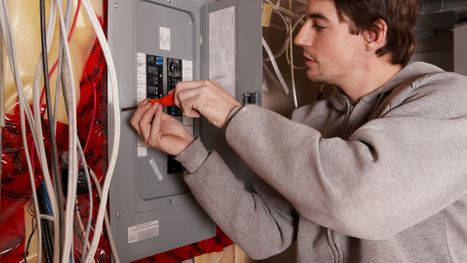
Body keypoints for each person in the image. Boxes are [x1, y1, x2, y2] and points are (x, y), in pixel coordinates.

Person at [131, 0, 467, 261]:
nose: (300, 37)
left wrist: (234, 116)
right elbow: (266, 235)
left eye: (318, 25)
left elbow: (359, 200)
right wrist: (190, 153)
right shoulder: (310, 121)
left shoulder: (447, 100)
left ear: (372, 35)